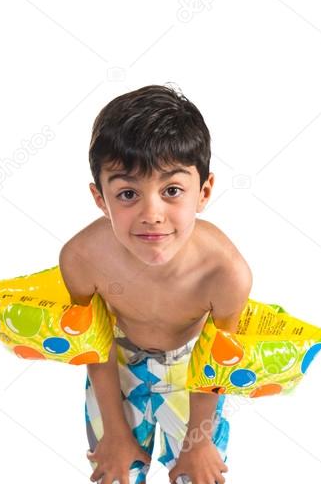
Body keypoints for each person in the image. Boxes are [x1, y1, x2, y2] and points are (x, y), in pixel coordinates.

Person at [60, 85, 252, 484]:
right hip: (118, 364)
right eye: (128, 193)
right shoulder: (82, 257)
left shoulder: (225, 271)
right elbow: (95, 345)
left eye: (172, 191)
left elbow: (216, 360)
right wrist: (114, 431)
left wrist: (199, 442)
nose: (152, 214)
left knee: (198, 476)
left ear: (204, 192)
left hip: (194, 372)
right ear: (100, 198)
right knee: (118, 472)